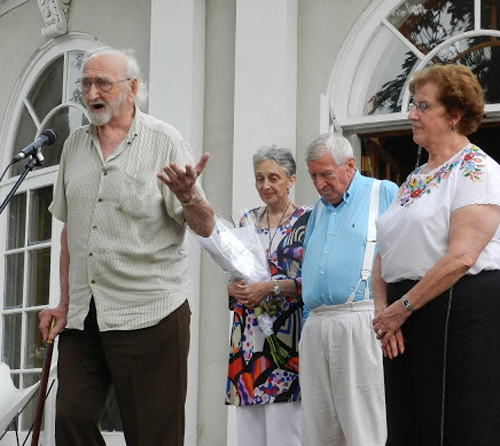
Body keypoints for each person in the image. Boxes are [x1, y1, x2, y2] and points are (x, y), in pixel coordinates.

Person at [38, 48, 215, 446]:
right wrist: (65, 302)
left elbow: (204, 227)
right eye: (85, 83)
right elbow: (72, 233)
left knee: (154, 436)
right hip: (85, 316)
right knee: (70, 419)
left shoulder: (164, 141)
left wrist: (189, 197)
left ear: (132, 88)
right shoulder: (73, 147)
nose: (92, 91)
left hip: (149, 313)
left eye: (103, 82)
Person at [372, 64, 500, 445]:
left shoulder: (478, 170)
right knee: (409, 424)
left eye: (423, 106)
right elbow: (385, 249)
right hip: (405, 317)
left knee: (453, 424)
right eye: (413, 104)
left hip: (457, 314)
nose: (412, 114)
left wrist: (403, 308)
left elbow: (462, 256)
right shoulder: (414, 178)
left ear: (455, 115)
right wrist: (384, 314)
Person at [299, 133, 398, 446]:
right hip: (317, 326)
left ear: (350, 165)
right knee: (319, 428)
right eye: (313, 175)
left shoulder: (383, 192)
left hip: (362, 319)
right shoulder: (317, 210)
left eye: (326, 174)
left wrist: (393, 316)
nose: (318, 184)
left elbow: (406, 259)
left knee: (364, 427)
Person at [226, 145, 311, 446]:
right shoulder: (245, 220)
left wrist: (272, 286)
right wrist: (233, 288)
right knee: (248, 433)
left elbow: (313, 280)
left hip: (287, 339)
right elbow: (234, 273)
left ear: (291, 179)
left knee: (285, 432)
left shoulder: (308, 220)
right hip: (248, 334)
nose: (266, 185)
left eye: (273, 178)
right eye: (259, 178)